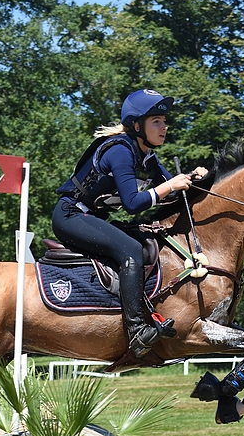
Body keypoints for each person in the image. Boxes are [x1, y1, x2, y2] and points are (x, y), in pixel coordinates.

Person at [52, 89, 207, 358]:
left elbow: (170, 195)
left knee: (147, 241)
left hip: (92, 217)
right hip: (70, 216)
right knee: (131, 250)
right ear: (137, 125)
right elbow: (134, 203)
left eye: (164, 121)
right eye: (156, 121)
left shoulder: (146, 156)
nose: (164, 127)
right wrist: (170, 184)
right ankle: (136, 330)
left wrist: (197, 179)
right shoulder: (120, 151)